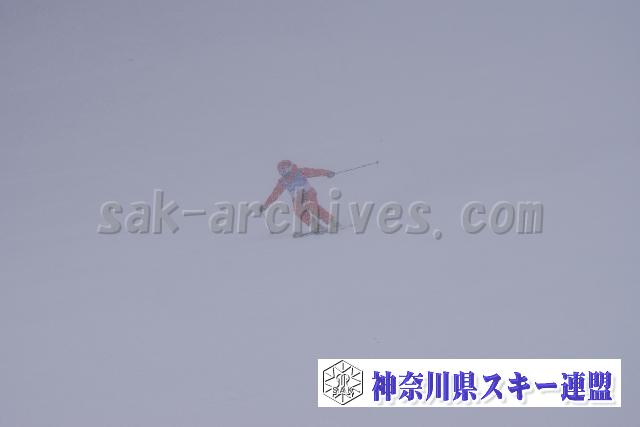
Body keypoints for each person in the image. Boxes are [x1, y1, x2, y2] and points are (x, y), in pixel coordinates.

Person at [261, 160, 336, 234]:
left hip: (308, 194)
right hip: (297, 198)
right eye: (281, 171)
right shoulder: (283, 181)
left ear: (290, 168)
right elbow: (275, 194)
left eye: (285, 170)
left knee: (313, 207)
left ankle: (332, 222)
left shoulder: (299, 172)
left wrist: (327, 173)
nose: (283, 173)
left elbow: (315, 172)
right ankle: (316, 226)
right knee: (299, 212)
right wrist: (266, 205)